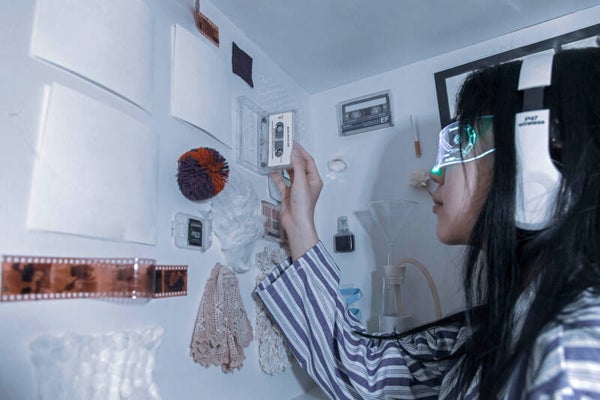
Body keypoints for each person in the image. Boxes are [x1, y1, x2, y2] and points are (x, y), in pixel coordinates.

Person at [255, 48, 600, 399]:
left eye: (460, 140)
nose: (435, 172)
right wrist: (299, 225)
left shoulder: (575, 356)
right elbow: (373, 376)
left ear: (536, 157)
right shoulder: (497, 326)